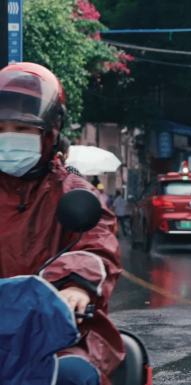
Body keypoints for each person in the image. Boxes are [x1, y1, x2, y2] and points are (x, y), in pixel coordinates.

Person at [0, 63, 124, 385]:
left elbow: (98, 244)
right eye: (1, 127)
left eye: (23, 129)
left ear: (50, 133)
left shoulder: (71, 190)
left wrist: (75, 286)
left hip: (54, 330)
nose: (9, 137)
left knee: (72, 375)